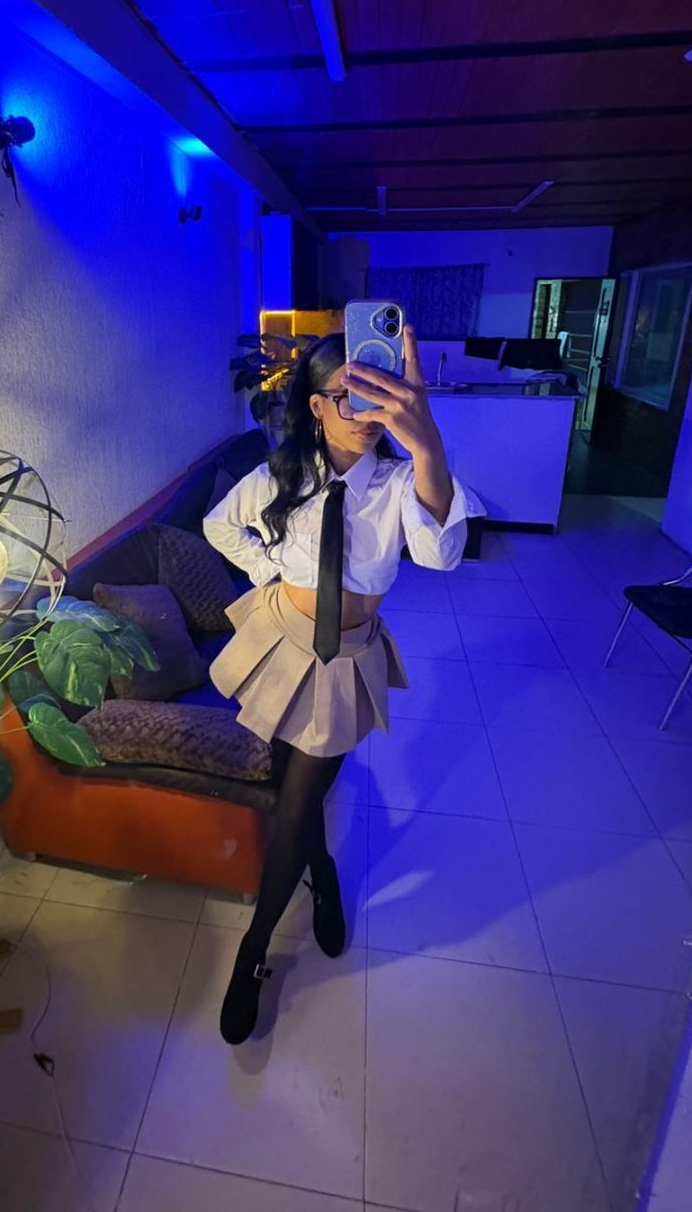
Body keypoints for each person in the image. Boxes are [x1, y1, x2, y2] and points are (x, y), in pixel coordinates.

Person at [203, 325, 484, 1044]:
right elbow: (219, 526)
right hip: (280, 642)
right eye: (349, 397)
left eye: (377, 398)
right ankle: (321, 871)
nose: (364, 413)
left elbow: (442, 554)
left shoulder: (398, 484)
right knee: (288, 790)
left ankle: (254, 949)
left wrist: (428, 443)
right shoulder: (280, 475)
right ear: (318, 406)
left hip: (344, 657)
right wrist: (269, 571)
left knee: (299, 800)